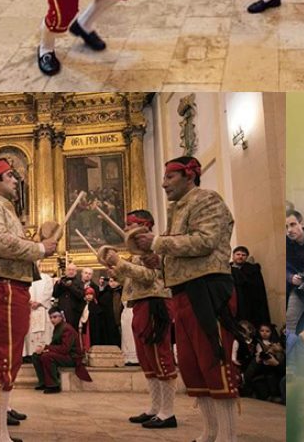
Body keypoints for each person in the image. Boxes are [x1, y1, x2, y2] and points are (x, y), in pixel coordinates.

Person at [129, 156, 242, 442]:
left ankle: (227, 437)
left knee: (214, 363)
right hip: (183, 292)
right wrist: (158, 260)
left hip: (208, 289)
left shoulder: (207, 200)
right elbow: (178, 253)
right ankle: (209, 433)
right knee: (193, 368)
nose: (164, 183)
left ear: (190, 175)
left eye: (169, 177)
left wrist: (157, 243)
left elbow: (205, 241)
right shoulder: (177, 209)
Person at [0, 157, 58, 442]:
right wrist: (40, 248)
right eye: (10, 176)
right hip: (2, 287)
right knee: (4, 359)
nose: (16, 180)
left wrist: (39, 248)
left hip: (6, 286)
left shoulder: (2, 208)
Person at [101, 209, 177, 429]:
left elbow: (150, 276)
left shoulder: (155, 249)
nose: (125, 229)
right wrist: (115, 269)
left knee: (159, 354)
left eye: (129, 224)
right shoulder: (137, 251)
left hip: (155, 302)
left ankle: (168, 412)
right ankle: (155, 408)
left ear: (143, 226)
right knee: (147, 358)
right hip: (140, 303)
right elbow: (130, 278)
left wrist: (122, 263)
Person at [31, 307, 90, 393]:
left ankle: (53, 385)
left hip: (72, 357)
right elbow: (55, 345)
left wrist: (47, 348)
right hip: (64, 355)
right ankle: (43, 382)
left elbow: (65, 349)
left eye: (55, 317)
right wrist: (44, 349)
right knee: (36, 356)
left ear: (61, 316)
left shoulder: (67, 328)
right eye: (50, 317)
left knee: (47, 356)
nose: (52, 320)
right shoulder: (58, 327)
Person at [230, 246, 270, 329]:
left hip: (250, 304)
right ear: (233, 256)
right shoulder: (227, 269)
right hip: (233, 303)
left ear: (246, 257)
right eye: (238, 254)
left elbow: (258, 289)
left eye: (243, 255)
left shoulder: (253, 270)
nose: (240, 256)